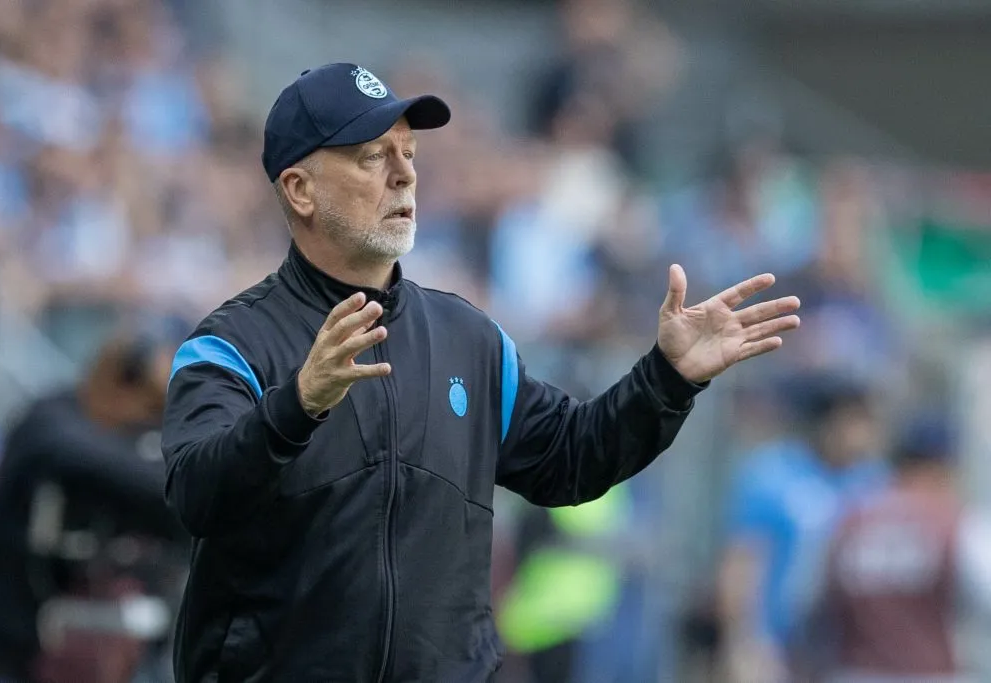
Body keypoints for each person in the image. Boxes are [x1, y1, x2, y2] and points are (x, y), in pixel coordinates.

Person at [161, 62, 802, 682]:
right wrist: (296, 405)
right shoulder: (229, 345)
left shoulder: (469, 338)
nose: (404, 175)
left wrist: (667, 378)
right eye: (371, 157)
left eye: (408, 153)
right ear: (300, 189)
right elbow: (196, 493)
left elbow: (571, 459)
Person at [0, 321, 189, 683]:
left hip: (85, 654)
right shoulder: (51, 422)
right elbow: (141, 477)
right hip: (4, 654)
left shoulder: (111, 433)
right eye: (151, 404)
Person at [717, 374, 889, 683]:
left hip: (848, 651)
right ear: (826, 422)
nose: (865, 433)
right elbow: (742, 562)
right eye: (855, 420)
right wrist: (742, 644)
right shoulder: (772, 474)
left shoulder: (874, 482)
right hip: (778, 647)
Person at [806, 413, 991, 683]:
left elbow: (811, 609)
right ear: (942, 468)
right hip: (933, 674)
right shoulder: (955, 523)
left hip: (853, 673)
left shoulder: (847, 521)